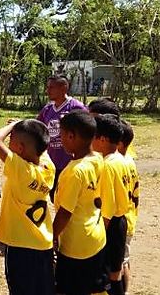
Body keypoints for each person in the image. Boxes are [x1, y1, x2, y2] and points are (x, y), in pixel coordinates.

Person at [0, 119, 55, 295]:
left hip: (20, 246)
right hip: (43, 243)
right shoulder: (48, 167)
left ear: (20, 148)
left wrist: (14, 125)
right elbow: (40, 143)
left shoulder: (22, 171)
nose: (8, 144)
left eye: (12, 141)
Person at [53, 110, 108, 295]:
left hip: (76, 245)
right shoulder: (98, 159)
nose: (60, 138)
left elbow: (65, 212)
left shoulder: (75, 171)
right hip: (96, 237)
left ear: (71, 136)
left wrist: (51, 236)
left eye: (61, 134)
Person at [93, 114, 133, 295]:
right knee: (115, 274)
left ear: (102, 139)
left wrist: (97, 240)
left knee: (106, 276)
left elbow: (107, 210)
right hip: (122, 221)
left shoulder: (107, 165)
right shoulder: (123, 159)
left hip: (111, 225)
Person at [36, 75, 87, 201]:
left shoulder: (76, 107)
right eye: (47, 87)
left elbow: (88, 130)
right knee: (55, 198)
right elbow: (37, 126)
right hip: (53, 163)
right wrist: (20, 122)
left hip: (70, 163)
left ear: (64, 88)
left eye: (51, 87)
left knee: (70, 200)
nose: (47, 91)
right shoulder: (47, 109)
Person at [118, 119, 139, 295]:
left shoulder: (117, 164)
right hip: (128, 219)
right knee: (123, 261)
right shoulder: (127, 160)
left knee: (120, 263)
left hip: (121, 222)